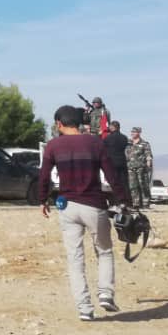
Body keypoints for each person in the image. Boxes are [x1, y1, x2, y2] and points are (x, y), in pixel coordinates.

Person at [40, 105, 129, 322]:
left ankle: (84, 308)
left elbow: (44, 175)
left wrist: (42, 199)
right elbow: (112, 174)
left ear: (59, 124)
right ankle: (106, 293)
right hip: (94, 205)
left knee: (75, 257)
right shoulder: (95, 143)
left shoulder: (53, 145)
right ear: (78, 123)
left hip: (67, 207)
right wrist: (124, 200)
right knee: (105, 251)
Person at [125, 127, 153, 210]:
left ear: (139, 133)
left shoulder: (144, 143)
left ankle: (145, 203)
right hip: (130, 167)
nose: (133, 133)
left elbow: (148, 154)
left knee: (143, 185)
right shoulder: (128, 143)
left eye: (134, 132)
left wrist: (148, 162)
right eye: (132, 132)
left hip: (141, 168)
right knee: (133, 186)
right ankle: (136, 203)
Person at [102, 120, 130, 199]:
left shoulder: (108, 138)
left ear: (112, 127)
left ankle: (117, 199)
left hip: (112, 162)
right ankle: (127, 200)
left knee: (115, 182)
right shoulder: (124, 137)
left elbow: (103, 148)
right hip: (122, 162)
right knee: (124, 182)